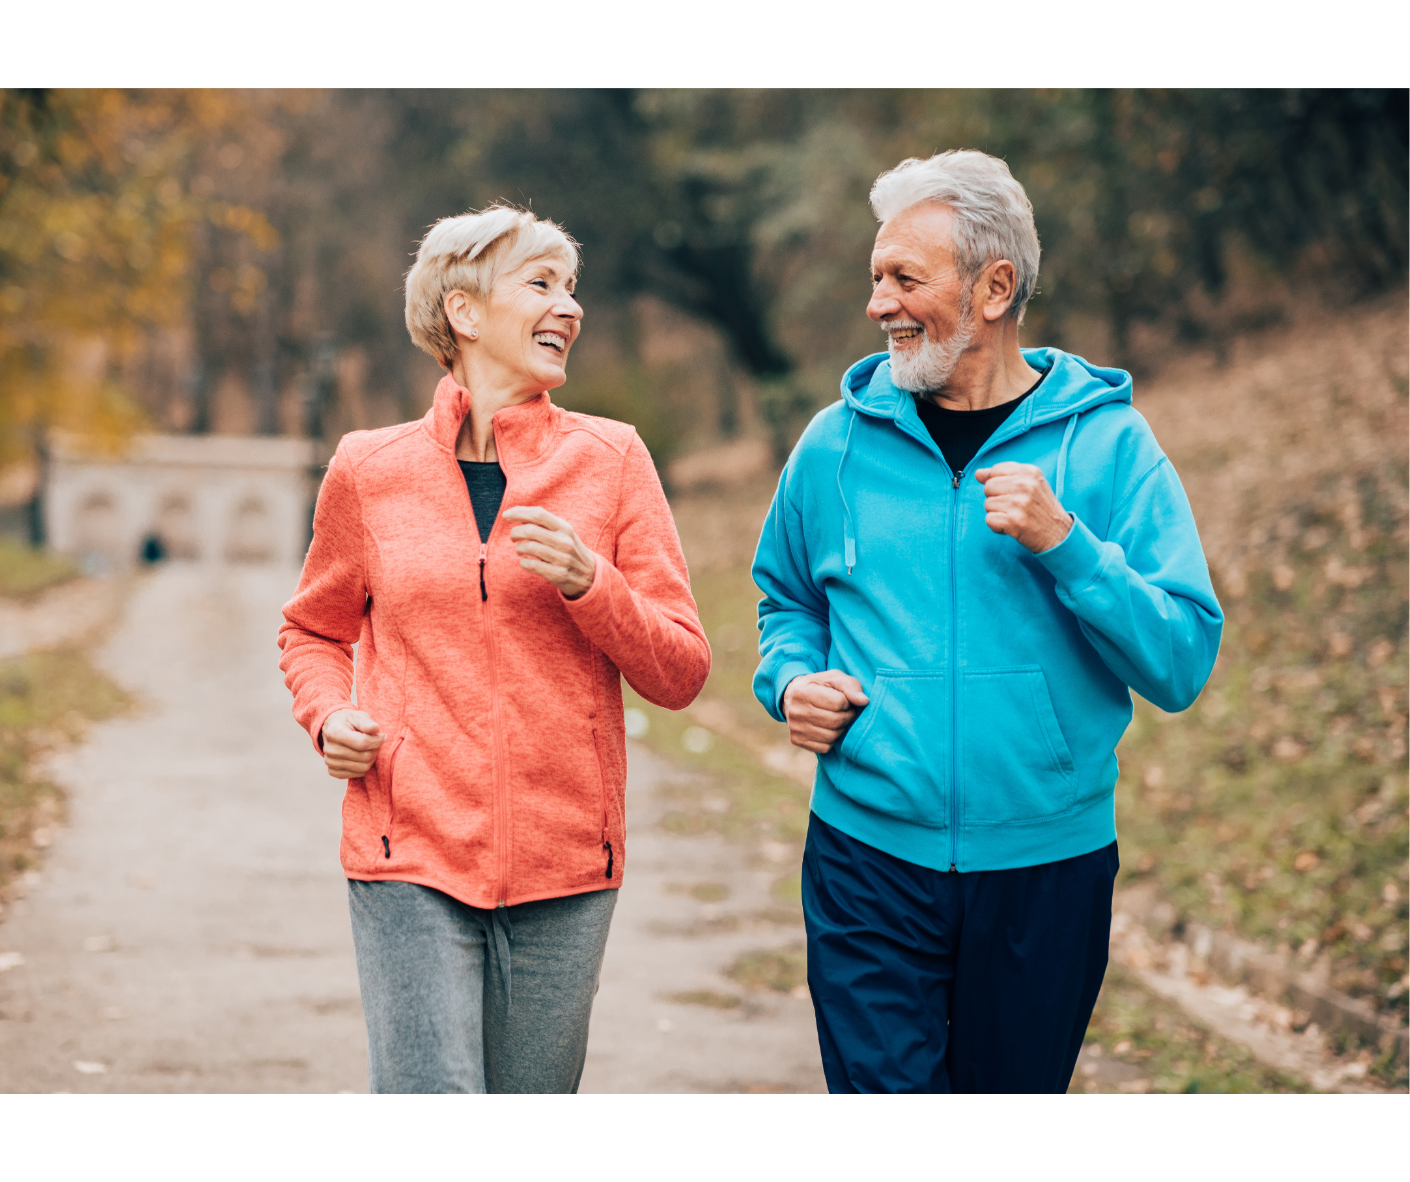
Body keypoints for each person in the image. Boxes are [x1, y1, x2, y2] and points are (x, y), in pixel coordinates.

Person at [751, 151, 1223, 1116]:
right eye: (875, 277)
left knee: (1002, 1127)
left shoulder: (1108, 446)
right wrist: (790, 679)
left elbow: (1180, 660)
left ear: (995, 287)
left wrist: (1068, 547)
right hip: (867, 859)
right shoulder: (833, 445)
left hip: (1046, 869)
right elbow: (785, 601)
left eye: (905, 279)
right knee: (892, 1122)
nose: (879, 303)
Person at [278, 204, 710, 1094]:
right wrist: (330, 717)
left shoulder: (613, 461)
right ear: (465, 312)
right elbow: (313, 629)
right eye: (543, 284)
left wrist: (595, 584)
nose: (571, 308)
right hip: (408, 849)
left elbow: (680, 670)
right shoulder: (370, 469)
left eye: (574, 289)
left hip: (566, 865)